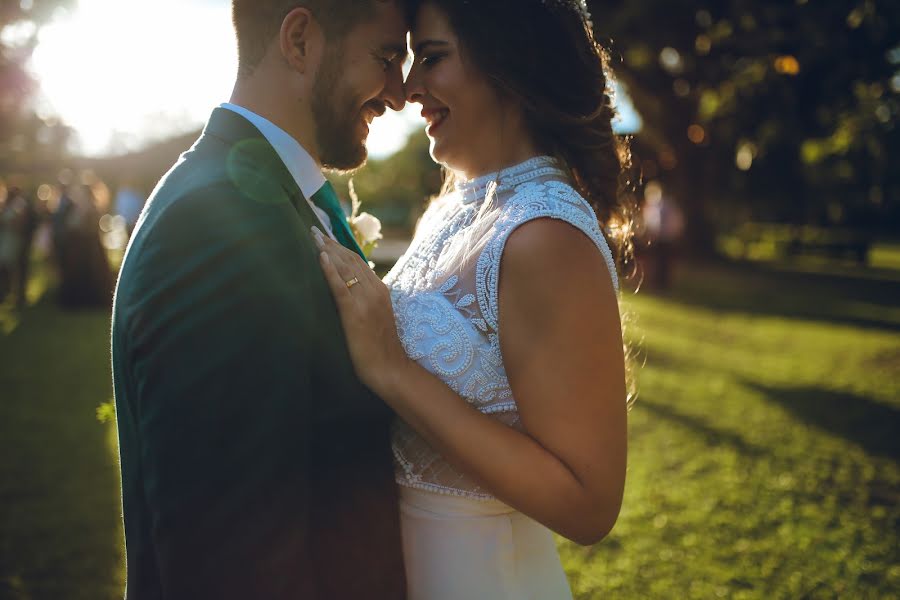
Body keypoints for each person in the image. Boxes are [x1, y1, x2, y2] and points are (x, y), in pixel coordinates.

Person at [313, 0, 632, 598]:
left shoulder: (545, 235)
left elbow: (589, 504)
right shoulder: (454, 207)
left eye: (432, 58)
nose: (407, 90)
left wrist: (394, 371)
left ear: (510, 60)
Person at [110, 1, 409, 597]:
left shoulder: (262, 197)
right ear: (299, 40)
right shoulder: (216, 224)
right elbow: (230, 561)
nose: (398, 94)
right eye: (386, 58)